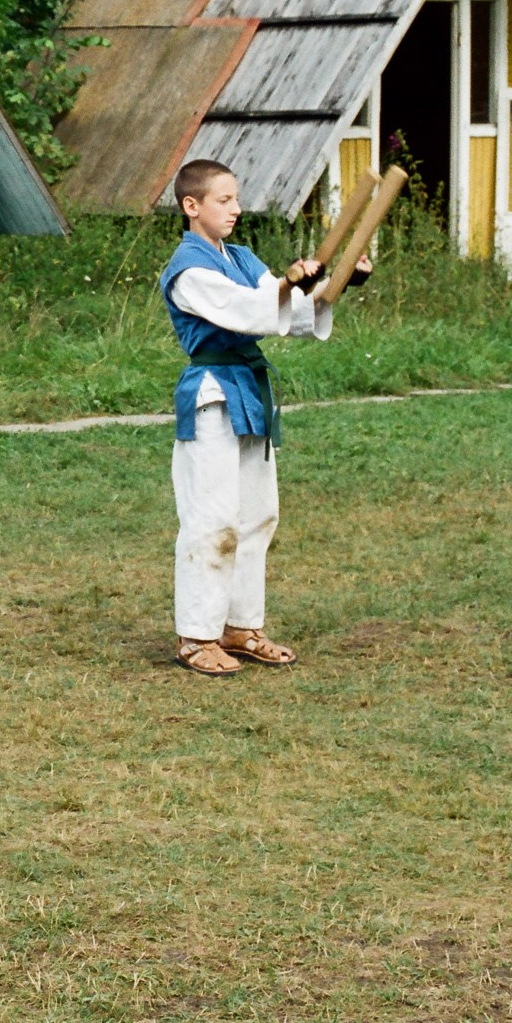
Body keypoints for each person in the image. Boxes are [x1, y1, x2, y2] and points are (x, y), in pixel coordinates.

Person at [162, 159, 368, 677]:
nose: (235, 208)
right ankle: (197, 635)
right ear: (192, 206)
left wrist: (340, 280)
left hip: (251, 394)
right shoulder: (188, 269)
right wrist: (288, 286)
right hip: (212, 396)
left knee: (257, 515)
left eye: (236, 198)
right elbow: (248, 311)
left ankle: (239, 626)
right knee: (212, 518)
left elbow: (294, 313)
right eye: (223, 200)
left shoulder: (242, 256)